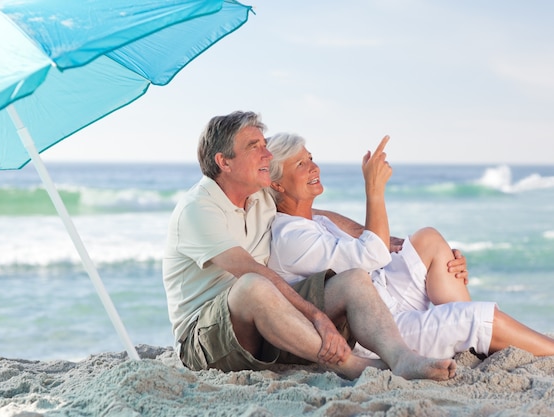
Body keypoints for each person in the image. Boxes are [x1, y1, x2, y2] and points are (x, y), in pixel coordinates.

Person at [162, 111, 458, 381]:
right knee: (253, 284)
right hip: (205, 340)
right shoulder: (198, 209)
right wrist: (317, 317)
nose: (267, 154)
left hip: (265, 322)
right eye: (255, 147)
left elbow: (315, 213)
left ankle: (402, 358)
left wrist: (368, 234)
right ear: (224, 162)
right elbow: (250, 271)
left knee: (353, 278)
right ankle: (350, 365)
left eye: (265, 145)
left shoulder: (259, 196)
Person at [266, 132, 554, 359]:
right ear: (276, 185)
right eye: (300, 164)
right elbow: (373, 254)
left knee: (427, 239)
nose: (314, 167)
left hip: (386, 294)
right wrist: (374, 189)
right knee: (480, 318)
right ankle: (477, 329)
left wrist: (441, 269)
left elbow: (374, 250)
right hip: (377, 326)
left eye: (311, 157)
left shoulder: (315, 220)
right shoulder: (291, 238)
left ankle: (467, 335)